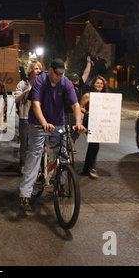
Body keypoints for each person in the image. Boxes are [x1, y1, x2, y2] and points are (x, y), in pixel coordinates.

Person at [19, 58, 86, 212]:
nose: (58, 76)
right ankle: (25, 194)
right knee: (34, 155)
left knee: (63, 153)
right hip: (38, 122)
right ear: (50, 70)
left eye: (61, 74)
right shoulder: (40, 81)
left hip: (57, 123)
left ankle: (61, 184)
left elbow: (75, 105)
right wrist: (44, 123)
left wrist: (78, 123)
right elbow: (35, 105)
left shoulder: (66, 83)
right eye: (56, 73)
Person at [14, 60, 42, 174]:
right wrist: (26, 91)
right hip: (25, 117)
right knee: (24, 143)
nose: (38, 71)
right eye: (36, 68)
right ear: (30, 70)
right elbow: (16, 100)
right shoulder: (23, 83)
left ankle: (36, 166)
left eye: (39, 69)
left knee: (36, 143)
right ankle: (23, 164)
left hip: (38, 118)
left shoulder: (42, 84)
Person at [79, 76, 108, 179]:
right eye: (97, 83)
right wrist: (87, 112)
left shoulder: (106, 96)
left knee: (94, 145)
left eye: (101, 83)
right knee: (94, 144)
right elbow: (80, 107)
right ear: (93, 84)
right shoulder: (88, 95)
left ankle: (87, 168)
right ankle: (89, 168)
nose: (99, 85)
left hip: (100, 123)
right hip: (90, 122)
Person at [65, 56, 93, 147]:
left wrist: (88, 63)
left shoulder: (79, 85)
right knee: (65, 132)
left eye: (76, 80)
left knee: (76, 131)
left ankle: (71, 146)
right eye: (73, 80)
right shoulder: (65, 87)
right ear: (69, 80)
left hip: (76, 112)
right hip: (66, 112)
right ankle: (65, 147)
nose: (75, 82)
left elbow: (86, 73)